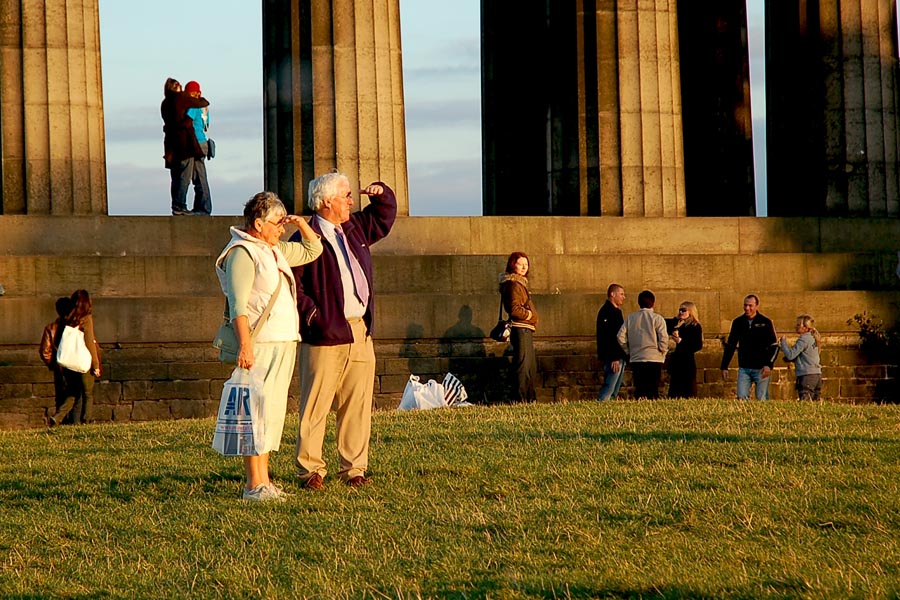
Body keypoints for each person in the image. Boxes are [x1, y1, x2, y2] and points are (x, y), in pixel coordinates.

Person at [290, 172, 397, 490]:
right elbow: (293, 287)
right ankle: (310, 470)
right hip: (324, 334)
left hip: (360, 331)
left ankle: (354, 470)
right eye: (346, 195)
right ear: (325, 202)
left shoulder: (355, 228)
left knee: (358, 403)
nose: (352, 200)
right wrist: (314, 316)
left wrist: (382, 194)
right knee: (316, 405)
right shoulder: (302, 238)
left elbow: (384, 218)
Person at [215, 191, 323, 502]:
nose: (282, 228)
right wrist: (245, 347)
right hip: (260, 344)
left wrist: (301, 224)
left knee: (272, 413)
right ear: (258, 223)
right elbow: (238, 306)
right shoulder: (242, 253)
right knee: (256, 413)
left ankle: (264, 480)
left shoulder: (273, 250)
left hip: (283, 340)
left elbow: (312, 249)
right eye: (278, 222)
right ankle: (253, 483)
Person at [48, 290, 101, 425]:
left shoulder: (68, 318)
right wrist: (95, 365)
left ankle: (58, 417)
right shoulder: (87, 318)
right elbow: (89, 342)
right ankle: (86, 420)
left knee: (73, 392)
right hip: (83, 362)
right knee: (88, 393)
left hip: (69, 362)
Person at [160, 77, 208, 216]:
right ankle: (181, 207)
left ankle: (176, 206)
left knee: (176, 177)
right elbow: (202, 103)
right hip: (184, 144)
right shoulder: (180, 98)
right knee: (185, 177)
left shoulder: (165, 103)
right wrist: (202, 99)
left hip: (170, 144)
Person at [720, 294, 779, 400]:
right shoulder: (738, 322)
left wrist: (768, 365)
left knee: (762, 398)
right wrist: (724, 366)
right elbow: (731, 345)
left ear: (757, 306)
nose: (747, 308)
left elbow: (774, 346)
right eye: (745, 305)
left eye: (750, 306)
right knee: (742, 397)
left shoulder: (765, 322)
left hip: (761, 368)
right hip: (744, 367)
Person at [499, 252, 539, 403]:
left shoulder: (520, 284)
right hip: (520, 328)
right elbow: (514, 309)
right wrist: (530, 315)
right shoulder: (514, 284)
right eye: (520, 263)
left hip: (526, 329)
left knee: (530, 367)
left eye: (526, 264)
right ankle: (520, 398)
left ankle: (529, 398)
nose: (524, 267)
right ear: (512, 265)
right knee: (522, 366)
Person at [617, 290, 668, 399]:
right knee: (653, 389)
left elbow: (620, 337)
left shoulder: (630, 318)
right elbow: (664, 338)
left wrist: (628, 350)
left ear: (639, 303)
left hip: (637, 358)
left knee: (640, 389)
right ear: (653, 303)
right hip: (654, 357)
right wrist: (662, 351)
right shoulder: (657, 318)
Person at [40, 296, 74, 423]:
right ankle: (69, 421)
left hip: (59, 366)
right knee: (74, 394)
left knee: (61, 395)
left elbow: (45, 352)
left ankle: (61, 421)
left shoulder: (51, 327)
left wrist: (53, 365)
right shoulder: (75, 327)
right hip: (74, 365)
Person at [183, 81, 212, 215]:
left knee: (198, 177)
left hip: (196, 143)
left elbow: (187, 121)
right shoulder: (204, 107)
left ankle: (204, 208)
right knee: (199, 176)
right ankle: (201, 207)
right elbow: (206, 125)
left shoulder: (194, 106)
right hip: (203, 142)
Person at [596, 283, 627, 401]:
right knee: (610, 385)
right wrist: (614, 357)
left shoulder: (617, 312)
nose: (623, 297)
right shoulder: (606, 312)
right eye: (621, 294)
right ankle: (602, 404)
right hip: (613, 356)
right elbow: (608, 335)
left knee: (615, 388)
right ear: (612, 294)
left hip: (620, 355)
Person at [665, 301, 703, 398]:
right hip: (677, 361)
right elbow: (665, 323)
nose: (681, 312)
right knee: (674, 391)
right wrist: (677, 319)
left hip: (687, 362)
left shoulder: (695, 326)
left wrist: (681, 341)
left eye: (683, 310)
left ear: (690, 311)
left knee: (688, 390)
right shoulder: (679, 324)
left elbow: (697, 345)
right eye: (680, 310)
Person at [780, 315, 822, 400]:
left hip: (807, 376)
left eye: (799, 325)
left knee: (805, 402)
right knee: (815, 403)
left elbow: (791, 355)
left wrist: (783, 342)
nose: (796, 326)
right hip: (817, 375)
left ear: (806, 328)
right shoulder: (813, 338)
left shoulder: (804, 339)